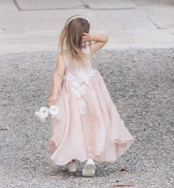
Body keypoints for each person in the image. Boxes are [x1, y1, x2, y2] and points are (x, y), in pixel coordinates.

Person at [47, 15, 134, 177]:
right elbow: (105, 38)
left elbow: (58, 75)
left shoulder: (63, 55)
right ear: (85, 34)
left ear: (66, 34)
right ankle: (89, 159)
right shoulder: (88, 50)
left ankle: (71, 159)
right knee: (92, 123)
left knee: (70, 125)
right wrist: (91, 38)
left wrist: (54, 94)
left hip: (70, 95)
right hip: (90, 93)